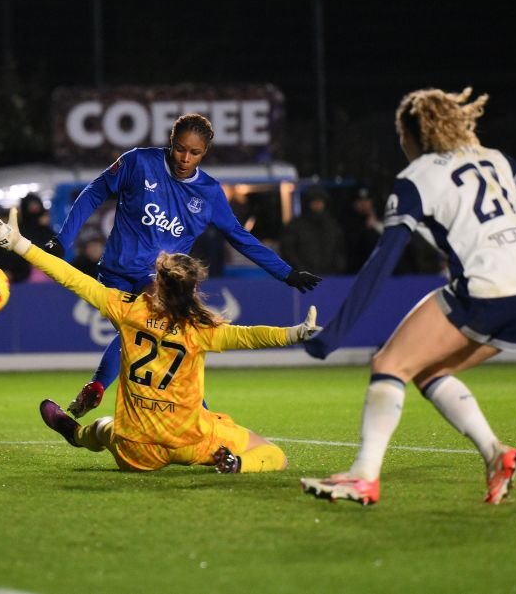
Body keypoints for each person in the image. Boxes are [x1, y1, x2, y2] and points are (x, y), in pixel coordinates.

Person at [300, 87, 516, 505]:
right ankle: (495, 454)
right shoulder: (496, 159)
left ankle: (364, 475)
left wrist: (336, 332)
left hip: (484, 290)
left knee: (389, 362)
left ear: (410, 134)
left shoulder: (417, 178)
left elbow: (383, 260)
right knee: (425, 370)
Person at [0, 208, 321, 472]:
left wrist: (18, 243)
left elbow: (71, 278)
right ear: (192, 290)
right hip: (190, 442)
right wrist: (295, 333)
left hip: (136, 448)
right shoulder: (201, 328)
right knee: (272, 454)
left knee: (103, 430)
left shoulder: (128, 309)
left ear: (157, 282)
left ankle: (74, 433)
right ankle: (235, 465)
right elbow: (250, 337)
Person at [42, 113, 322, 418]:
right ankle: (201, 420)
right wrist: (63, 240)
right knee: (146, 335)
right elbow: (94, 193)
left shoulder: (209, 194)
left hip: (161, 279)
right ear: (171, 142)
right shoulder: (138, 163)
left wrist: (286, 273)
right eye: (180, 148)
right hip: (115, 273)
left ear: (205, 153)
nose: (185, 158)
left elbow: (241, 238)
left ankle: (99, 389)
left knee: (152, 336)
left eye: (194, 152)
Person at [280, 185, 346, 275]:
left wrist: (338, 268)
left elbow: (340, 249)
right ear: (308, 203)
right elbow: (288, 251)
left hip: (331, 277)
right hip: (305, 278)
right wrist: (300, 270)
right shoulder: (295, 226)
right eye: (314, 201)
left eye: (320, 202)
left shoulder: (332, 225)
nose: (318, 205)